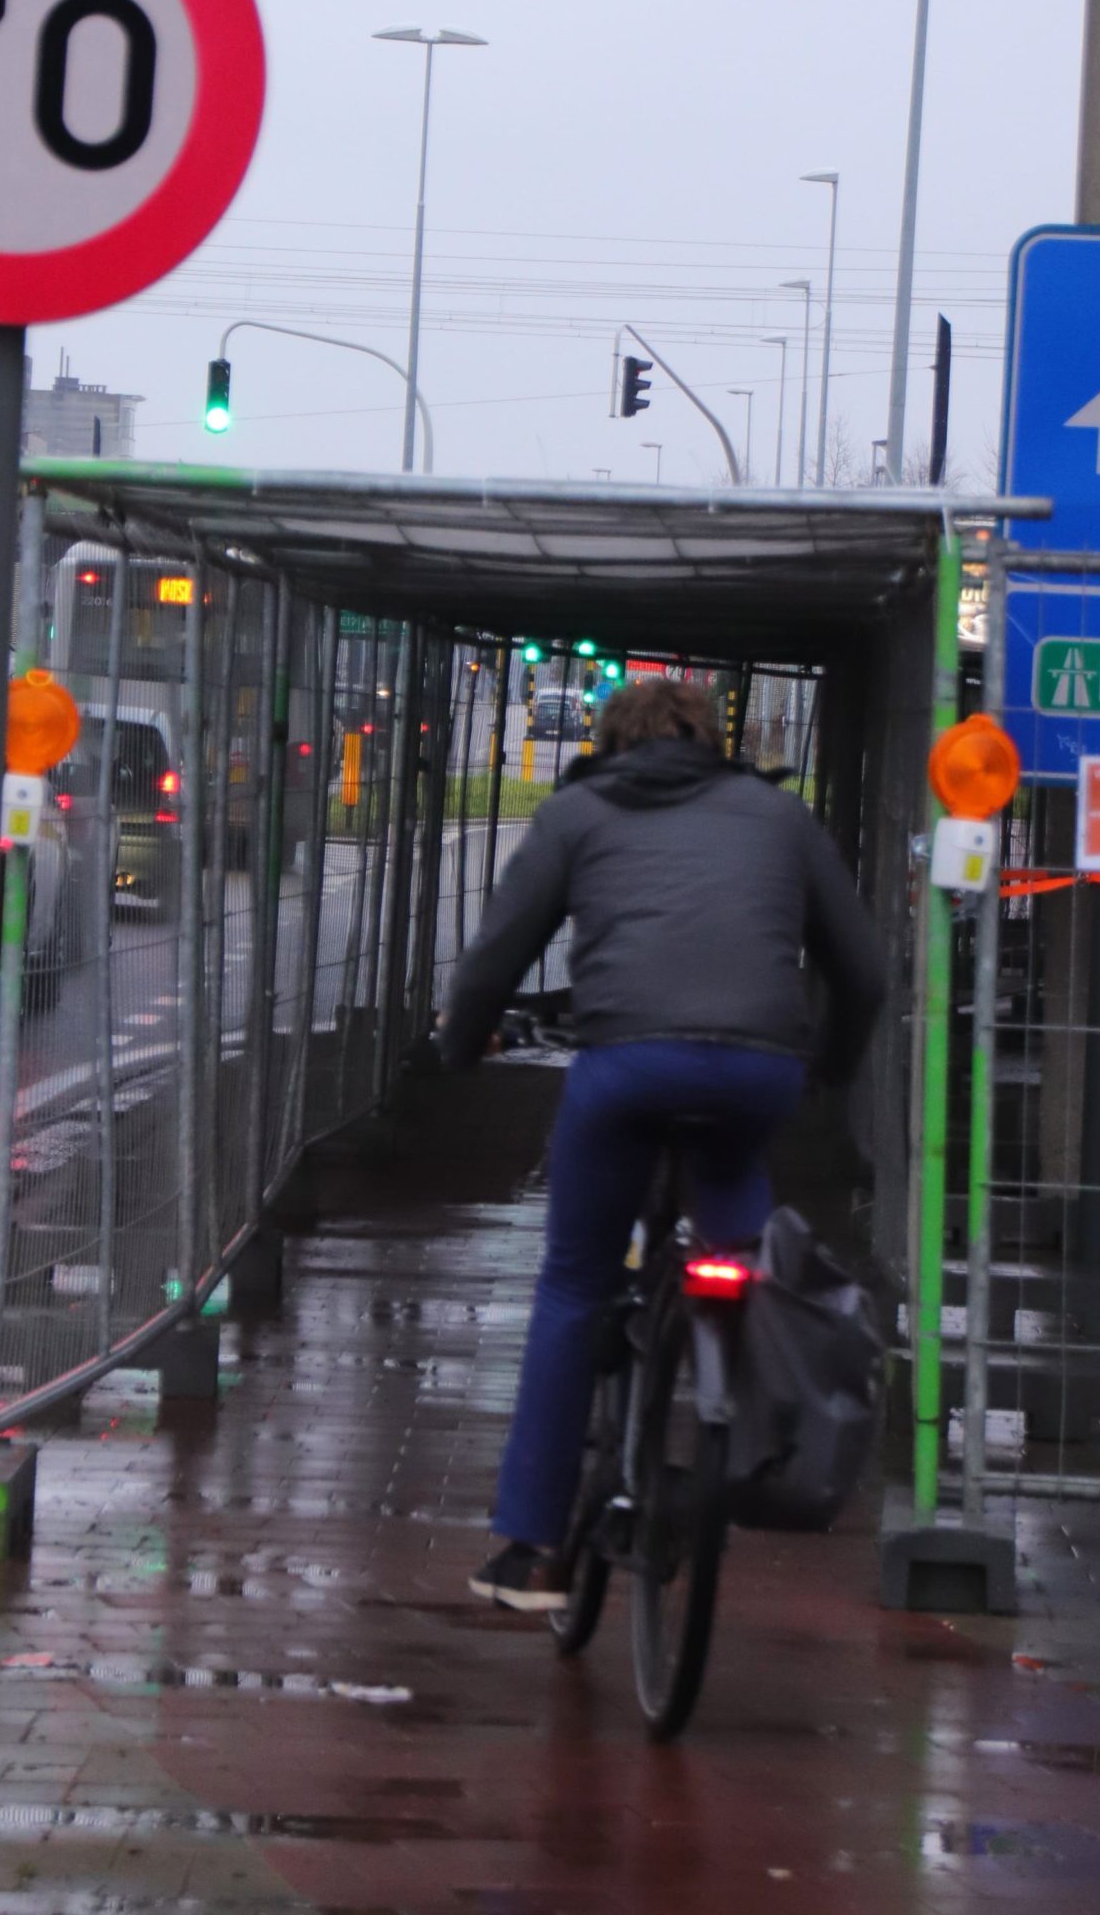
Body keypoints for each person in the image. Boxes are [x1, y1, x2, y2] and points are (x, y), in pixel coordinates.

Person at [439, 676, 886, 1611]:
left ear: (609, 741)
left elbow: (496, 952)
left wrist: (455, 1045)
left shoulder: (576, 811)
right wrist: (826, 1072)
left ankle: (534, 1551)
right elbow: (863, 970)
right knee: (746, 1262)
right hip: (754, 1076)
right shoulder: (779, 816)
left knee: (573, 1282)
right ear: (712, 739)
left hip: (626, 1069)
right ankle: (766, 1456)